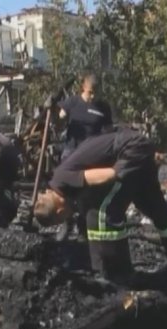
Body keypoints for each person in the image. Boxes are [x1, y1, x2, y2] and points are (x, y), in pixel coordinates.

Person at [33, 128, 167, 284]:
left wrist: (121, 173)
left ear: (60, 209)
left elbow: (107, 175)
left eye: (61, 219)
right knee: (155, 208)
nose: (68, 217)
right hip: (136, 147)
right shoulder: (60, 182)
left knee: (102, 210)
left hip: (130, 150)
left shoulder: (64, 178)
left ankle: (116, 272)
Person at [52, 72, 114, 242]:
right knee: (66, 190)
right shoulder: (73, 102)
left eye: (96, 92)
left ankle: (83, 228)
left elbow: (108, 132)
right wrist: (59, 115)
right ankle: (65, 222)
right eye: (90, 92)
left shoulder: (103, 108)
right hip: (72, 152)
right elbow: (58, 116)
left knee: (87, 193)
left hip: (92, 154)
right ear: (83, 88)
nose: (93, 96)